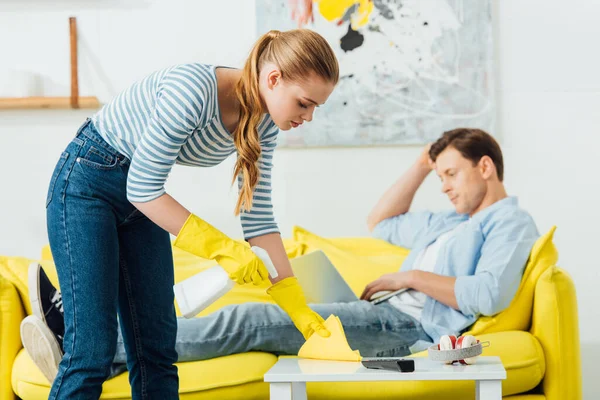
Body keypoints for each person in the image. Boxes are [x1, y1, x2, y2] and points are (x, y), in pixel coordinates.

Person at [23, 128, 539, 385]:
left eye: (452, 174)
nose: (445, 186)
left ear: (487, 168)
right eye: (442, 175)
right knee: (232, 308)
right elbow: (380, 222)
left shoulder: (509, 222)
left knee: (256, 319)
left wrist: (408, 275)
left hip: (406, 329)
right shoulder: (452, 222)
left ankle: (93, 347)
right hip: (383, 314)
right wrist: (424, 163)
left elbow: (488, 292)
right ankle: (94, 340)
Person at [31, 29, 339, 398]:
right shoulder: (193, 90)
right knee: (91, 351)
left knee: (157, 351)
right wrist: (222, 249)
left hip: (140, 201)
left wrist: (299, 309)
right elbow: (144, 188)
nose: (308, 116)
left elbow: (258, 220)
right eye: (304, 103)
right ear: (274, 79)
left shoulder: (265, 124)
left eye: (315, 108)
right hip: (87, 182)